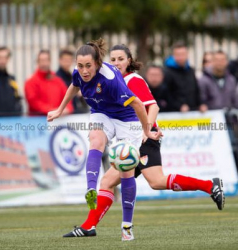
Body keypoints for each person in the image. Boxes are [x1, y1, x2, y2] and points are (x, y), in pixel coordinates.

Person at [62, 44, 225, 239]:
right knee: (109, 182)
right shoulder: (109, 80)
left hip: (144, 137)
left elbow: (153, 106)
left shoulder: (133, 80)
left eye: (121, 59)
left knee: (154, 181)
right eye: (113, 59)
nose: (116, 63)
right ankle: (89, 226)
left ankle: (210, 185)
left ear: (129, 60)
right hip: (133, 136)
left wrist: (147, 130)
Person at [47, 38, 161, 241]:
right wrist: (60, 109)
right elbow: (74, 86)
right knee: (95, 139)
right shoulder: (78, 73)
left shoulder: (110, 79)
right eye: (80, 65)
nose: (84, 70)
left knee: (126, 168)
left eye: (88, 66)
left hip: (127, 118)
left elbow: (138, 105)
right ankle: (91, 188)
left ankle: (127, 226)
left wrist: (148, 130)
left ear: (97, 63)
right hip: (102, 112)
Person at [25, 50, 73, 116]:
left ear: (50, 61)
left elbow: (67, 97)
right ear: (38, 62)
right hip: (38, 121)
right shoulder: (31, 82)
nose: (44, 63)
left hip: (58, 120)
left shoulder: (58, 80)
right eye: (42, 60)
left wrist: (67, 108)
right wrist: (53, 110)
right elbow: (34, 102)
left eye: (46, 60)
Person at [163, 42, 207, 112]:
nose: (180, 57)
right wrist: (179, 106)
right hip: (174, 114)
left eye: (183, 54)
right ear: (173, 56)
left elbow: (196, 90)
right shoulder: (167, 72)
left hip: (193, 112)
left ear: (187, 55)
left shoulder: (191, 71)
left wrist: (201, 104)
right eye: (178, 55)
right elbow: (166, 94)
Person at [0, 47, 22, 118]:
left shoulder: (11, 79)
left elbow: (17, 98)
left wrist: (18, 112)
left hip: (11, 121)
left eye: (5, 58)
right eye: (0, 57)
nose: (2, 61)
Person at [56, 48, 89, 113]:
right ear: (60, 60)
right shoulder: (57, 77)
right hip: (64, 111)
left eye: (69, 60)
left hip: (72, 108)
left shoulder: (71, 75)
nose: (67, 63)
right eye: (65, 60)